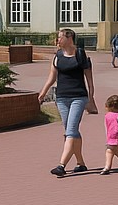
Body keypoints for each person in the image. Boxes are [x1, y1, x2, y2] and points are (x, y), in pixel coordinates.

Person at [37, 28, 97, 176]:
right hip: (62, 98)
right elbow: (51, 77)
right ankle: (81, 163)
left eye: (60, 37)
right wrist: (42, 93)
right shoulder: (57, 56)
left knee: (70, 131)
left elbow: (89, 79)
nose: (58, 40)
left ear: (69, 38)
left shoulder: (80, 54)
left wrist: (91, 97)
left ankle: (61, 165)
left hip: (78, 97)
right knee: (72, 131)